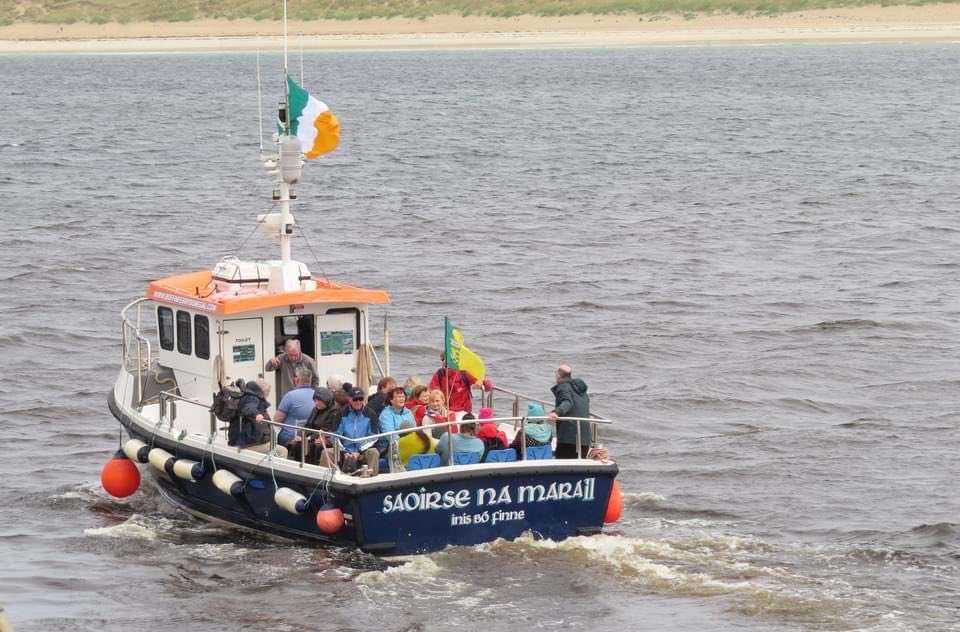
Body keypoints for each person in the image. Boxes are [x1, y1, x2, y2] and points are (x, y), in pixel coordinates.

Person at [319, 387, 379, 475]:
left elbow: (373, 437)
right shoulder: (340, 414)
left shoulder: (371, 414)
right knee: (326, 453)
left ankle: (371, 478)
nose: (358, 402)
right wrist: (344, 451)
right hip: (344, 450)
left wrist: (359, 452)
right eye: (355, 399)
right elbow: (334, 436)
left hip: (363, 451)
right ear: (349, 399)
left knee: (374, 452)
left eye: (360, 399)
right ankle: (325, 479)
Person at [232, 378, 288, 457]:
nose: (268, 395)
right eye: (268, 392)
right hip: (250, 445)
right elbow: (248, 408)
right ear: (263, 391)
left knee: (275, 446)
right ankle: (275, 469)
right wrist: (256, 414)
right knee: (283, 451)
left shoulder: (251, 397)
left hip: (252, 441)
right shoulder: (252, 398)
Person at [548, 364, 592, 459]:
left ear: (558, 375)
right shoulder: (581, 390)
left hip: (568, 438)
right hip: (585, 438)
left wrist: (556, 412)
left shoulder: (563, 387)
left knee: (561, 466)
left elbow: (567, 402)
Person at [288, 387, 339, 463]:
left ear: (326, 400)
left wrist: (308, 438)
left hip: (322, 438)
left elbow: (326, 430)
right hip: (311, 436)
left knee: (312, 446)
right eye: (315, 400)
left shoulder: (334, 412)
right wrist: (300, 435)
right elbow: (308, 425)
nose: (316, 403)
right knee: (292, 443)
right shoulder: (315, 410)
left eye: (319, 401)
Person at [274, 366, 316, 447]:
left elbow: (276, 420)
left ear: (297, 380)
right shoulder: (317, 396)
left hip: (290, 438)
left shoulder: (290, 396)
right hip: (310, 437)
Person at [377, 387, 415, 456]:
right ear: (391, 400)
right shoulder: (385, 415)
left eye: (403, 396)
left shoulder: (409, 412)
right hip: (389, 447)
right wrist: (406, 443)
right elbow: (390, 436)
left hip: (409, 443)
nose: (401, 399)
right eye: (398, 397)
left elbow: (415, 430)